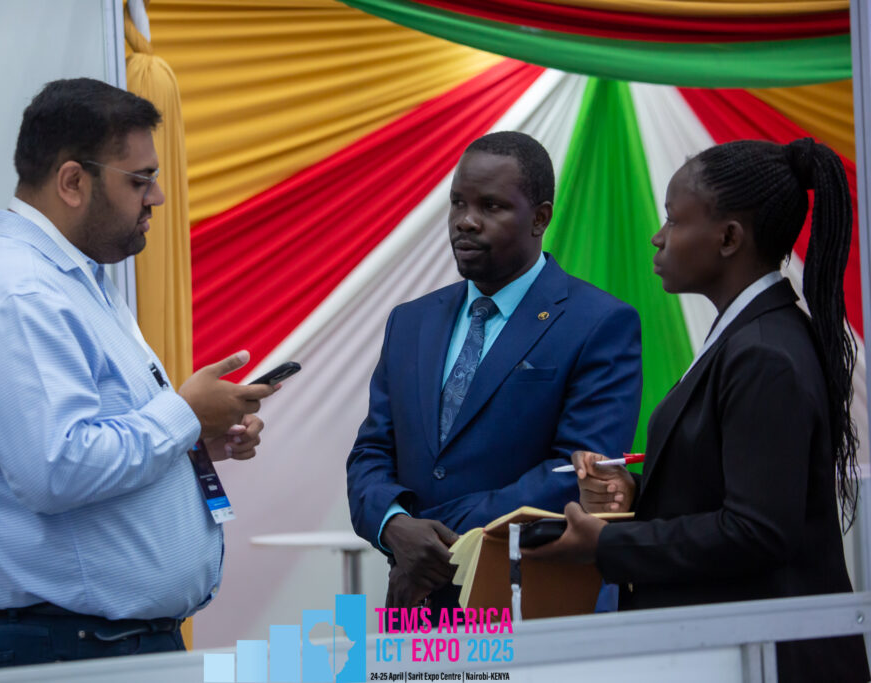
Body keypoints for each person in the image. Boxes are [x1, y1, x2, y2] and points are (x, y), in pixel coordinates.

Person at [0, 78, 276, 669]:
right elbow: (57, 468)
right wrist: (184, 415)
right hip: (74, 645)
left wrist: (196, 436)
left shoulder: (74, 280)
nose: (156, 197)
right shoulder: (20, 294)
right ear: (72, 182)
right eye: (139, 180)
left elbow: (98, 443)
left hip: (105, 641)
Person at [527, 138, 869, 682]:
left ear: (729, 238)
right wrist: (638, 493)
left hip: (769, 661)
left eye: (674, 219)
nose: (658, 237)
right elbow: (728, 488)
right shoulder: (746, 335)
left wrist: (607, 543)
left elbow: (755, 531)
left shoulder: (763, 353)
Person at [346, 131, 643, 612]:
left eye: (491, 206)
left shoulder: (600, 322)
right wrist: (393, 525)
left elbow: (576, 470)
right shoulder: (410, 321)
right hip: (416, 603)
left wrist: (431, 539)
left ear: (540, 218)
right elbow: (372, 450)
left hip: (530, 601)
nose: (466, 221)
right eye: (457, 203)